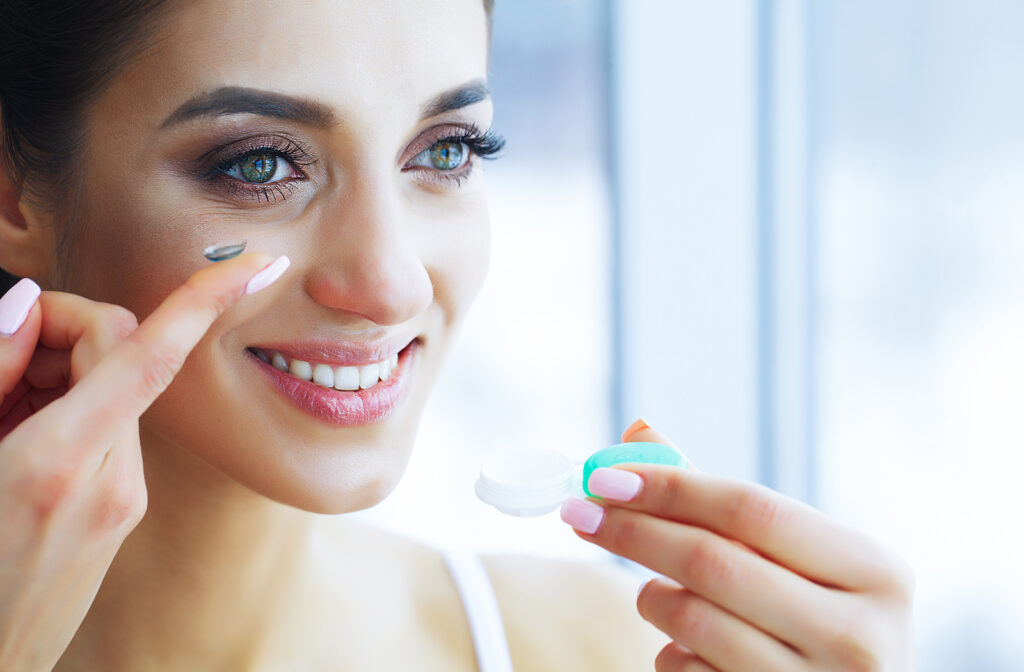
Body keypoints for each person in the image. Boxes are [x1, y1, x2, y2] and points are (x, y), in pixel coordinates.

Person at [0, 1, 914, 670]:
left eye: (444, 151)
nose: (391, 282)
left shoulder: (604, 653)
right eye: (262, 164)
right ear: (12, 190)